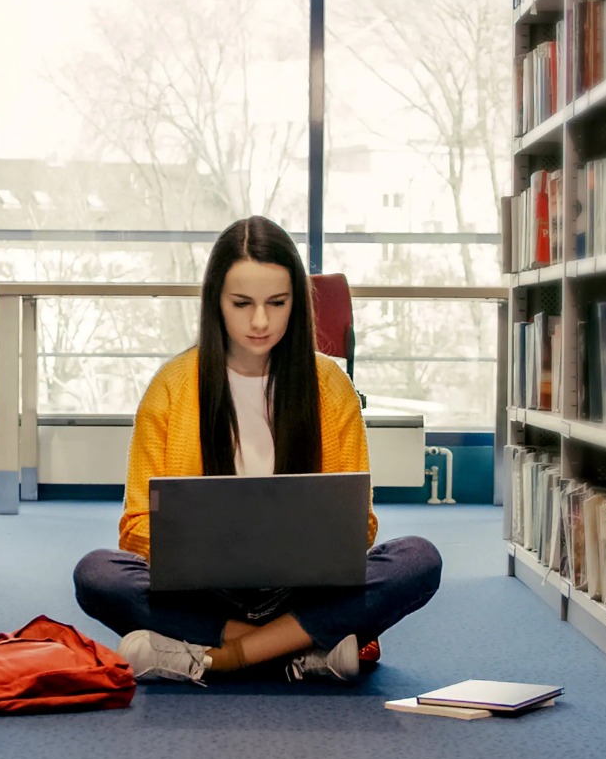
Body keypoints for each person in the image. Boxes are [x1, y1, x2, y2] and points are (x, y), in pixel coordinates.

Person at [72, 215, 442, 684]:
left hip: (303, 591)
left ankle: (221, 656)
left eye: (277, 303)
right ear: (216, 302)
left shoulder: (330, 386)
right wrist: (205, 549)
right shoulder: (171, 386)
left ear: (296, 304)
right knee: (97, 574)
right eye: (242, 304)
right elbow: (136, 526)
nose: (261, 321)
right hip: (205, 592)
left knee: (418, 560)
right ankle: (300, 649)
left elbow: (359, 526)